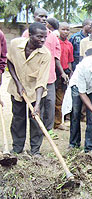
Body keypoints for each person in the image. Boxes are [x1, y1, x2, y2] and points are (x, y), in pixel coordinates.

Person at [22, 8, 68, 140]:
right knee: (37, 106)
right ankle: (36, 131)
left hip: (50, 78)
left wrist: (62, 73)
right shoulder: (27, 34)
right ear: (34, 17)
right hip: (33, 79)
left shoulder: (52, 36)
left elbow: (56, 57)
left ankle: (48, 129)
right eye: (40, 16)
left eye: (45, 17)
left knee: (50, 103)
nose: (43, 19)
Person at [7, 22, 51, 155]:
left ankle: (35, 151)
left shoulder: (45, 54)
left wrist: (37, 104)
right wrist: (18, 83)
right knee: (18, 120)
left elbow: (41, 81)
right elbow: (10, 62)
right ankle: (17, 148)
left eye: (45, 37)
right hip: (17, 90)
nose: (42, 40)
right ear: (30, 35)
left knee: (36, 122)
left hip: (36, 93)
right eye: (39, 37)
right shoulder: (15, 44)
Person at [54, 22, 74, 131]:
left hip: (64, 74)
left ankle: (58, 122)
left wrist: (69, 74)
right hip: (55, 73)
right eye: (63, 29)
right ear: (58, 29)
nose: (65, 32)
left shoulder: (69, 44)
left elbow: (70, 61)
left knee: (60, 99)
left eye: (67, 30)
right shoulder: (55, 42)